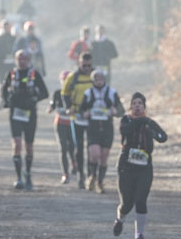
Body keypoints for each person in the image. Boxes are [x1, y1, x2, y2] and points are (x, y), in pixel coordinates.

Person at [112, 92, 168, 239]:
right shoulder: (126, 120)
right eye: (134, 103)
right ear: (131, 106)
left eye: (140, 104)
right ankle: (119, 220)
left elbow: (163, 137)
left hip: (144, 168)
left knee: (141, 200)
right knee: (127, 203)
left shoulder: (149, 122)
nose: (137, 106)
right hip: (126, 166)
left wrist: (152, 131)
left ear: (144, 106)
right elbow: (126, 131)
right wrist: (142, 120)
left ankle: (139, 236)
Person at [1, 49, 50, 190]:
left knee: (29, 146)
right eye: (19, 59)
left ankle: (28, 174)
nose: (21, 61)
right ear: (15, 60)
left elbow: (45, 93)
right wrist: (6, 101)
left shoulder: (34, 74)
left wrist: (35, 98)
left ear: (28, 60)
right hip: (15, 113)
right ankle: (18, 178)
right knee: (16, 144)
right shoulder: (11, 74)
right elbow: (4, 90)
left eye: (24, 59)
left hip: (30, 113)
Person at [80, 70, 124, 193]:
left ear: (104, 79)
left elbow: (122, 111)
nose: (98, 81)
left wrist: (115, 112)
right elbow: (81, 110)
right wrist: (85, 113)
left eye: (100, 78)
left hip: (107, 127)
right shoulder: (88, 93)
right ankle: (92, 176)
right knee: (95, 154)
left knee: (104, 156)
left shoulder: (112, 92)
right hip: (93, 127)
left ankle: (100, 181)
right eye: (96, 79)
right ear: (92, 80)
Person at [60, 53, 96, 189]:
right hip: (77, 117)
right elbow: (64, 93)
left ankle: (91, 175)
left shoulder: (95, 75)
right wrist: (68, 107)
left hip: (92, 117)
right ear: (79, 63)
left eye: (89, 65)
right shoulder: (72, 77)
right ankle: (81, 175)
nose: (87, 68)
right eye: (84, 65)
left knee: (92, 148)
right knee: (79, 147)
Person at [48, 70, 76, 184]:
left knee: (73, 147)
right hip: (60, 123)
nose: (64, 83)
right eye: (63, 80)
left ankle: (74, 163)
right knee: (63, 148)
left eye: (67, 81)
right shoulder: (57, 93)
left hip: (73, 124)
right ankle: (65, 174)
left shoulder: (74, 93)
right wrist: (50, 108)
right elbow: (52, 106)